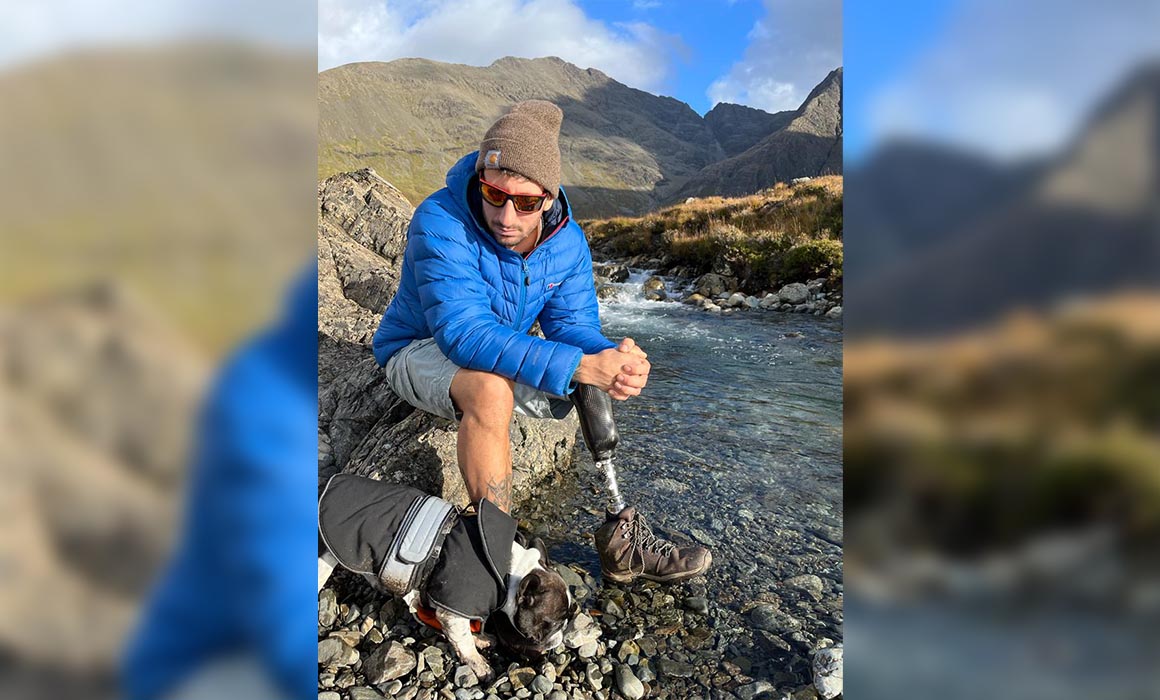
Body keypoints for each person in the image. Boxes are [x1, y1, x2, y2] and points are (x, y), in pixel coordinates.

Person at [372, 100, 711, 584]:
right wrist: (578, 364)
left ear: (549, 198)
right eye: (494, 194)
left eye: (526, 203)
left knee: (589, 369)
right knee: (493, 390)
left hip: (491, 343)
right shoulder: (440, 221)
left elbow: (571, 323)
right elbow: (462, 334)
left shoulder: (567, 242)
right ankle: (498, 558)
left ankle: (621, 539)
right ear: (480, 181)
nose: (507, 215)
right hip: (417, 348)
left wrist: (610, 357)